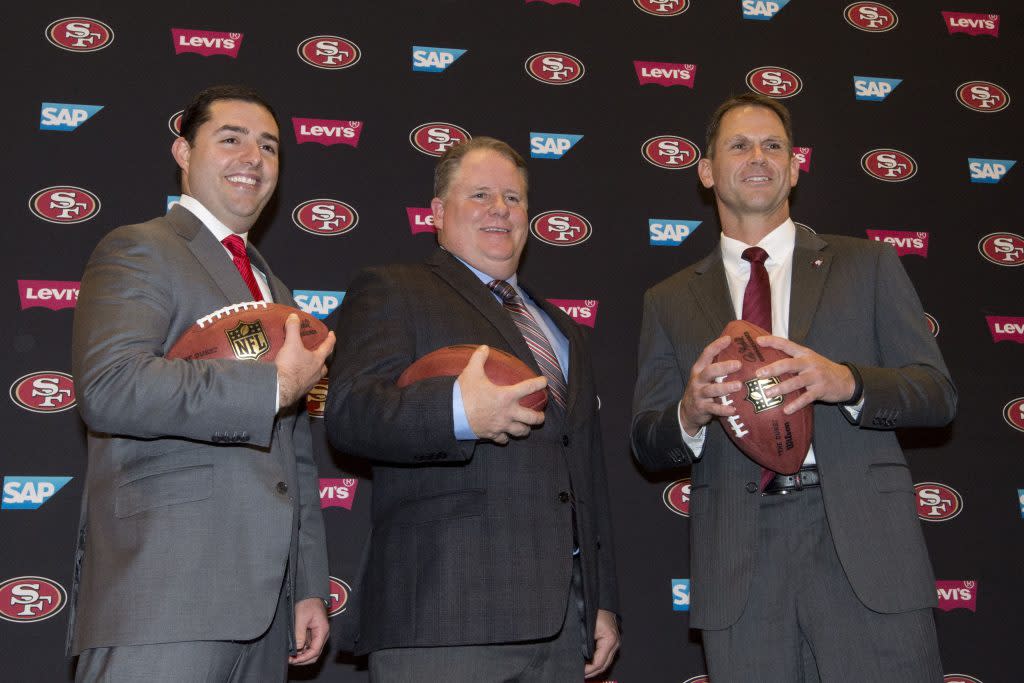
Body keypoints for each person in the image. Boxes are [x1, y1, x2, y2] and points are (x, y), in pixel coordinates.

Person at [630, 93, 956, 681]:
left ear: (794, 167)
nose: (758, 156)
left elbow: (936, 394)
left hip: (863, 546)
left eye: (772, 144)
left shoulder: (868, 265)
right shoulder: (670, 300)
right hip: (740, 562)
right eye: (739, 144)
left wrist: (847, 382)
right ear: (706, 172)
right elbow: (648, 442)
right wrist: (689, 412)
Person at [325, 137, 620, 681]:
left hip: (559, 628)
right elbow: (351, 413)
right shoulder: (393, 289)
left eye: (513, 197)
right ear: (437, 213)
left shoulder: (562, 329)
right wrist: (458, 413)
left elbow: (585, 473)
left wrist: (600, 599)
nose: (499, 209)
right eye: (480, 194)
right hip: (443, 615)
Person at [67, 85, 335, 681]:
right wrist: (269, 389)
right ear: (183, 153)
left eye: (269, 146)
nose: (254, 157)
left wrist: (308, 584)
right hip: (165, 589)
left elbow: (294, 456)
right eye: (230, 138)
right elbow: (111, 385)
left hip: (268, 611)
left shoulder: (275, 290)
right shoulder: (141, 249)